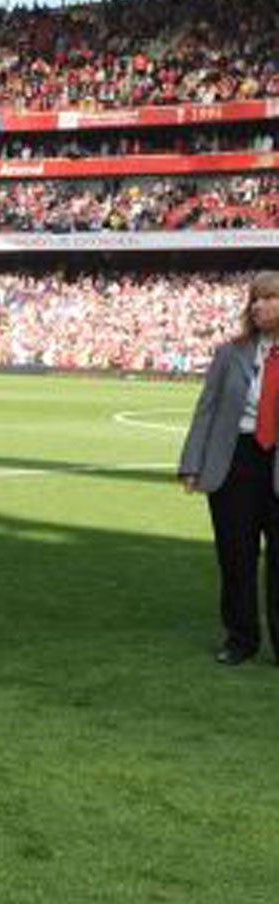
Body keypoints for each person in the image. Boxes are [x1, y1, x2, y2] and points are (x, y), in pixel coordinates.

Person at [178, 270, 279, 664]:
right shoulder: (230, 353)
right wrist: (192, 462)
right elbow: (206, 409)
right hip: (235, 462)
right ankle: (240, 639)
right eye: (255, 299)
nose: (259, 306)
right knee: (236, 556)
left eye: (269, 298)